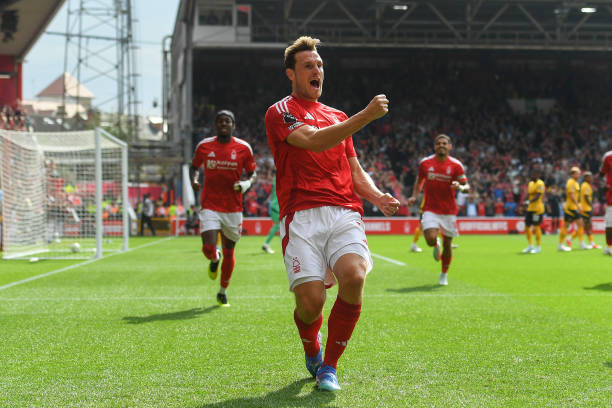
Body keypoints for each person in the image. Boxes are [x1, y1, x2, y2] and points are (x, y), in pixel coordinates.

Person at [264, 36, 399, 392]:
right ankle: (311, 345)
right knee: (311, 303)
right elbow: (313, 141)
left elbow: (353, 168)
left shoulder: (337, 116)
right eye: (308, 65)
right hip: (301, 215)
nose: (317, 70)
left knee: (354, 277)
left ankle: (330, 367)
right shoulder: (280, 111)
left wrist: (376, 195)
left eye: (320, 65)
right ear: (291, 73)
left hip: (344, 211)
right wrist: (366, 116)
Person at [189, 110, 257, 307]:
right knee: (208, 248)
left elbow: (252, 173)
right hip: (210, 205)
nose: (223, 124)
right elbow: (194, 167)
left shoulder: (243, 148)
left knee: (230, 252)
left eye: (227, 121)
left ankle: (222, 291)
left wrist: (246, 184)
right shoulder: (204, 146)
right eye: (220, 121)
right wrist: (194, 179)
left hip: (233, 209)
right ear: (215, 125)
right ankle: (214, 258)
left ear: (233, 125)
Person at [407, 134, 470, 286]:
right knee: (429, 238)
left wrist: (460, 187)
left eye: (444, 143)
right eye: (438, 143)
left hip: (449, 211)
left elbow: (467, 187)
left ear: (450, 147)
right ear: (434, 146)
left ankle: (443, 274)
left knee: (448, 243)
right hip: (430, 208)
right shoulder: (425, 163)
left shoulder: (456, 165)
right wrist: (414, 196)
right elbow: (419, 181)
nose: (441, 145)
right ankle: (436, 244)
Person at [522, 168, 545, 254]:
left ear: (537, 175)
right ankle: (530, 245)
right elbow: (529, 194)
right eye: (531, 174)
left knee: (536, 226)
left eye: (533, 174)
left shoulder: (540, 183)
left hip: (537, 209)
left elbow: (538, 196)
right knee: (527, 226)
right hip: (530, 209)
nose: (531, 176)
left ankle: (538, 247)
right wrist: (524, 201)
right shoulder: (530, 183)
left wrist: (529, 201)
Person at [558, 167, 582, 252]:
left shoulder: (575, 183)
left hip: (573, 208)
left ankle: (579, 242)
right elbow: (571, 195)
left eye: (579, 173)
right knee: (566, 226)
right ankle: (561, 244)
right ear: (572, 174)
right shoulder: (571, 182)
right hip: (570, 208)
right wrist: (578, 205)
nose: (578, 175)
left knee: (580, 224)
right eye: (577, 173)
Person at [578, 171, 601, 250]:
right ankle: (588, 243)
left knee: (586, 226)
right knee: (586, 226)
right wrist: (591, 206)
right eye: (590, 177)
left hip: (586, 208)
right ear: (586, 178)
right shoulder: (585, 185)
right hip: (585, 209)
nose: (591, 178)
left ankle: (590, 243)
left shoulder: (586, 185)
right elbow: (586, 197)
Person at [262, 176, 279, 254]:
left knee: (278, 226)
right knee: (277, 226)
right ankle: (266, 244)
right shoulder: (280, 177)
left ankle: (266, 244)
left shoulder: (276, 178)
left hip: (275, 205)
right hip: (277, 206)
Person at [599, 150, 612, 255]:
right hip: (611, 196)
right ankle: (608, 247)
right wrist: (603, 186)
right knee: (610, 223)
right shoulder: (608, 156)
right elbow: (601, 175)